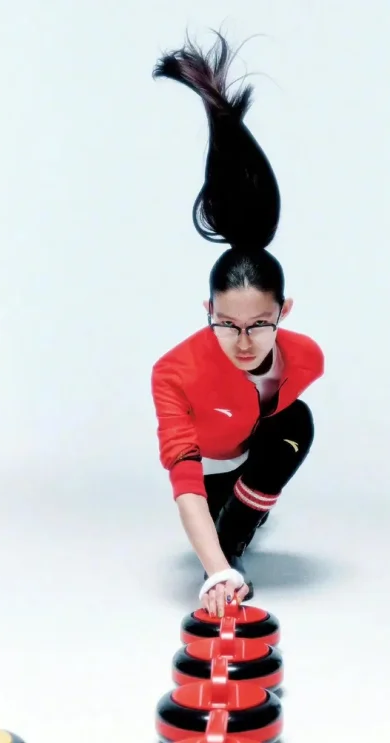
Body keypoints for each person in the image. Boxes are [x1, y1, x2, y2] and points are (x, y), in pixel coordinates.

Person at [150, 31, 325, 617]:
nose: (244, 342)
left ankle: (238, 536)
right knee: (214, 526)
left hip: (253, 464)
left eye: (259, 325)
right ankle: (226, 546)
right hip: (214, 477)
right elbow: (185, 481)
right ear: (207, 314)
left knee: (299, 419)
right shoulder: (172, 373)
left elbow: (279, 420)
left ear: (283, 314)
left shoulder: (306, 359)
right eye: (227, 325)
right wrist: (216, 569)